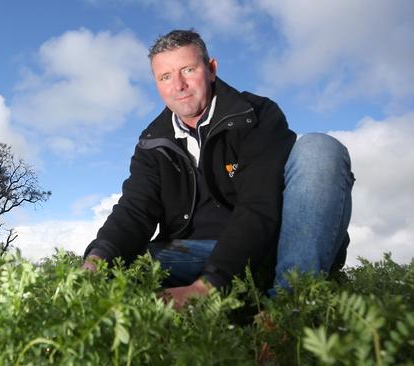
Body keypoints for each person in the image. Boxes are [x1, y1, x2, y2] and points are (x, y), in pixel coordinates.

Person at [82, 29, 354, 308]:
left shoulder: (257, 116)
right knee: (114, 266)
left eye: (188, 70)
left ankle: (289, 308)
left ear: (211, 69)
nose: (179, 85)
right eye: (165, 77)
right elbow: (134, 210)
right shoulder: (152, 142)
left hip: (269, 252)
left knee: (320, 148)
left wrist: (209, 286)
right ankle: (236, 305)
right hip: (195, 255)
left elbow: (259, 206)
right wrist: (96, 260)